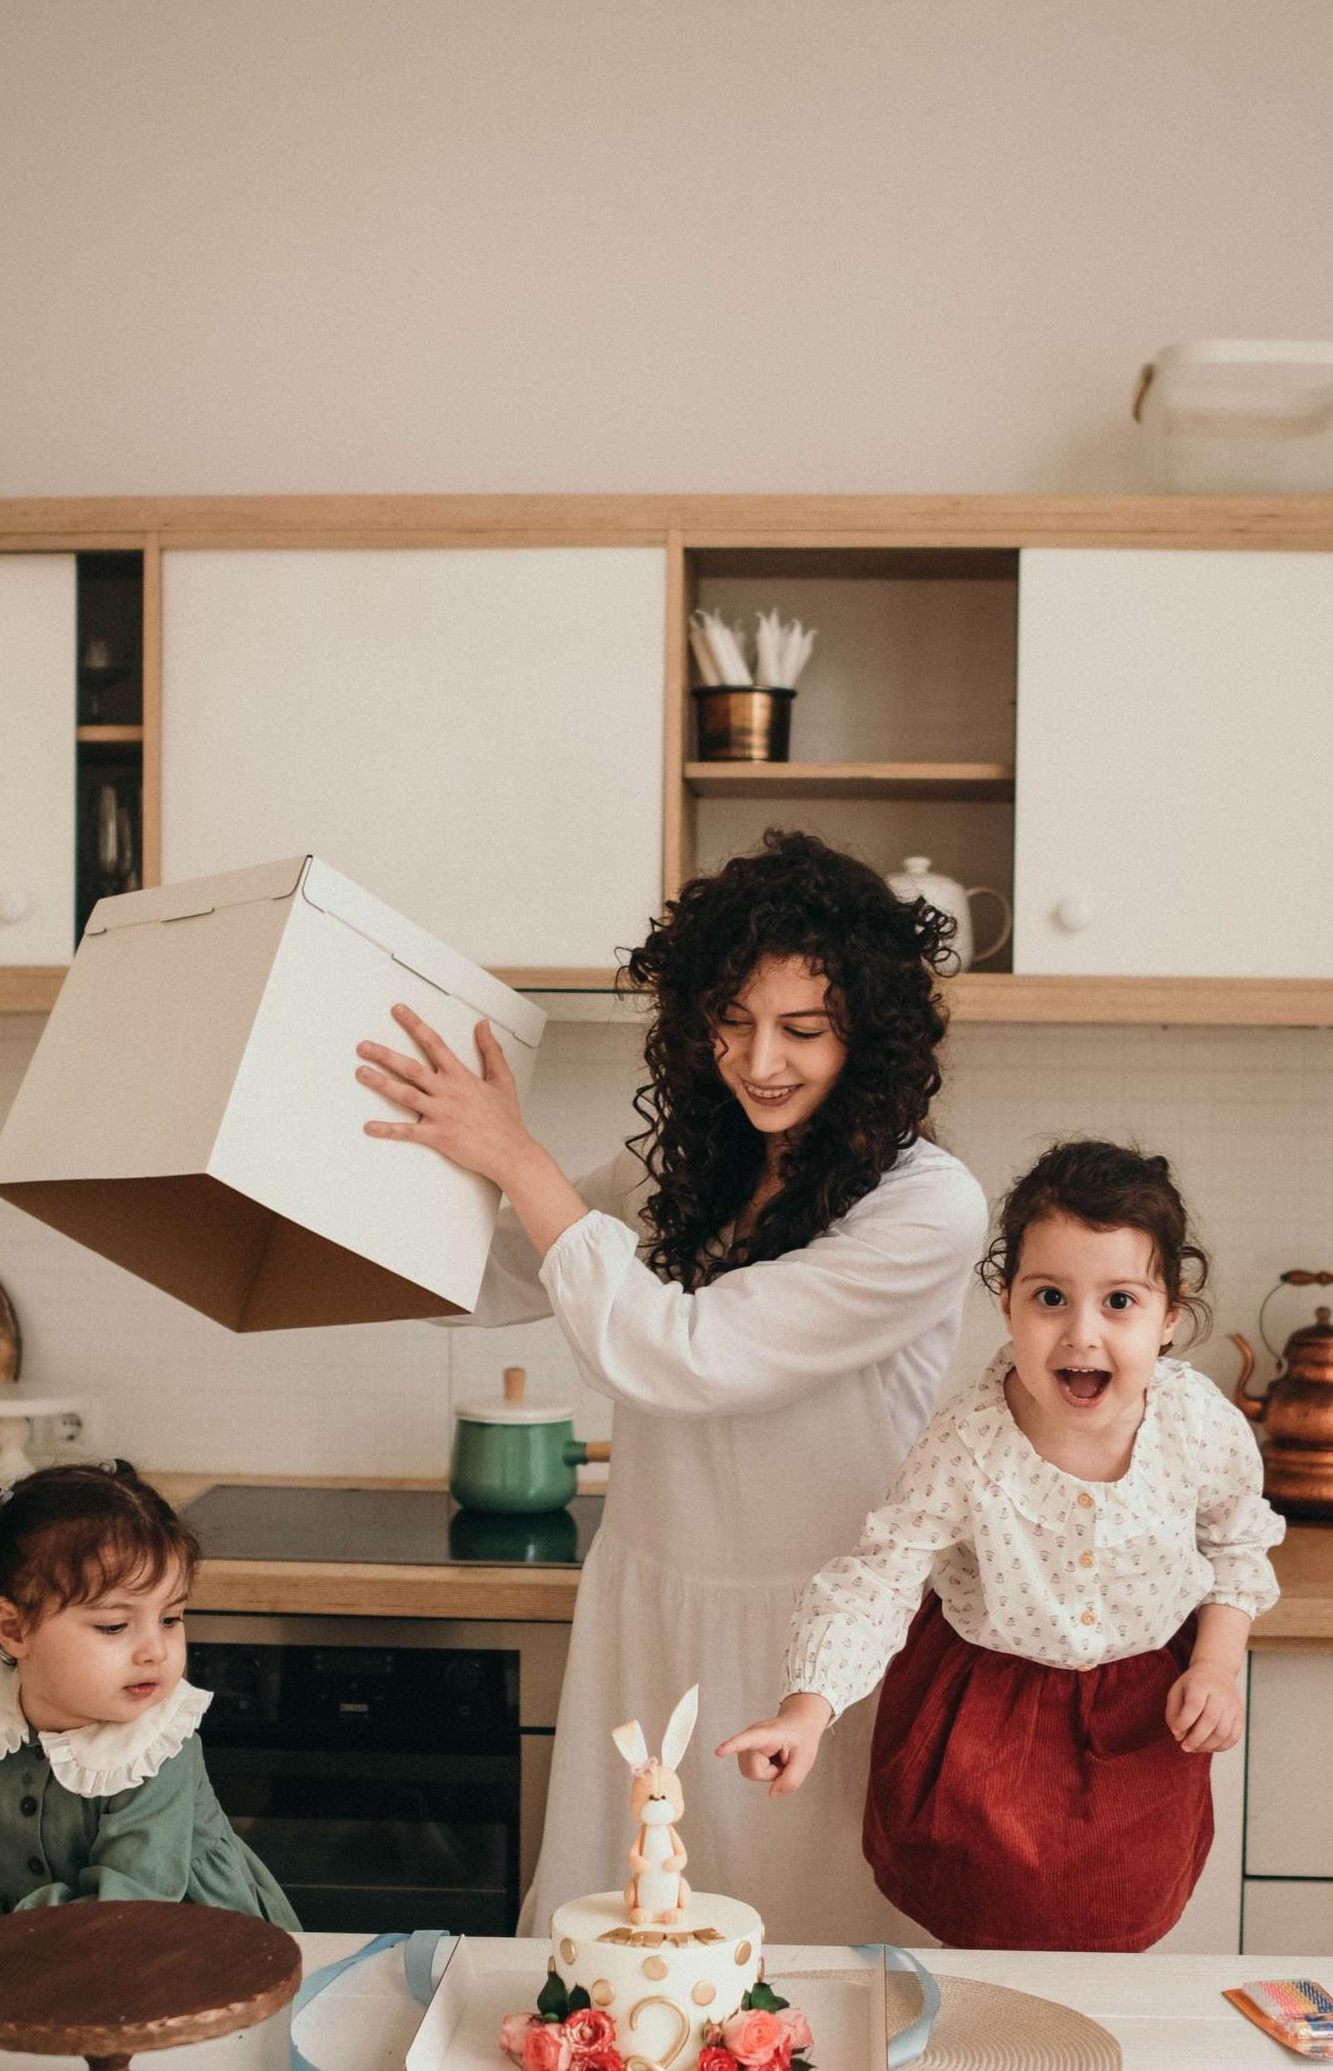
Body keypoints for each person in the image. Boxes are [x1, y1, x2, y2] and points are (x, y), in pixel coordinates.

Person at [355, 828, 987, 1941]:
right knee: (618, 1960)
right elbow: (507, 1267)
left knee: (798, 1979)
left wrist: (521, 1159)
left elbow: (682, 1353)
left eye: (802, 1029)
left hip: (815, 1646)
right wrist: (321, 1213)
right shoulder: (686, 1172)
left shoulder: (925, 1206)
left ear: (870, 1034)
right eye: (731, 1022)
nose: (759, 1061)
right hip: (647, 1611)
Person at [721, 1139, 1284, 1951]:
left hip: (1139, 1719)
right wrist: (807, 1712)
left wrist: (1216, 1668)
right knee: (986, 1938)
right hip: (986, 1722)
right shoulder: (966, 1443)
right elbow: (880, 1579)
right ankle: (997, 2067)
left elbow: (1236, 1547)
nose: (1081, 1334)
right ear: (1006, 1301)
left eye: (1120, 1301)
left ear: (1170, 1314)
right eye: (1050, 1296)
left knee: (1114, 1928)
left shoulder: (1200, 1426)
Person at [0, 1461, 297, 1994]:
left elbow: (130, 1906)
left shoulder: (157, 1745)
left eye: (171, 1618)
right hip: (23, 1973)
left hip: (184, 1963)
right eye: (114, 1625)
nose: (156, 1649)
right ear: (15, 1628)